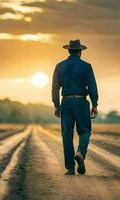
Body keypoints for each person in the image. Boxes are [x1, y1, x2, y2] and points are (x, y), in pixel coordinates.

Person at [52, 39, 98, 175]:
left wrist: (56, 105)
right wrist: (94, 104)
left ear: (68, 51)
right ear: (80, 52)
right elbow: (92, 87)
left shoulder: (59, 66)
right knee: (84, 131)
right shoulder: (87, 66)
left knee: (67, 134)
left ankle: (70, 167)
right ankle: (80, 153)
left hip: (66, 102)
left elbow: (55, 87)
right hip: (81, 102)